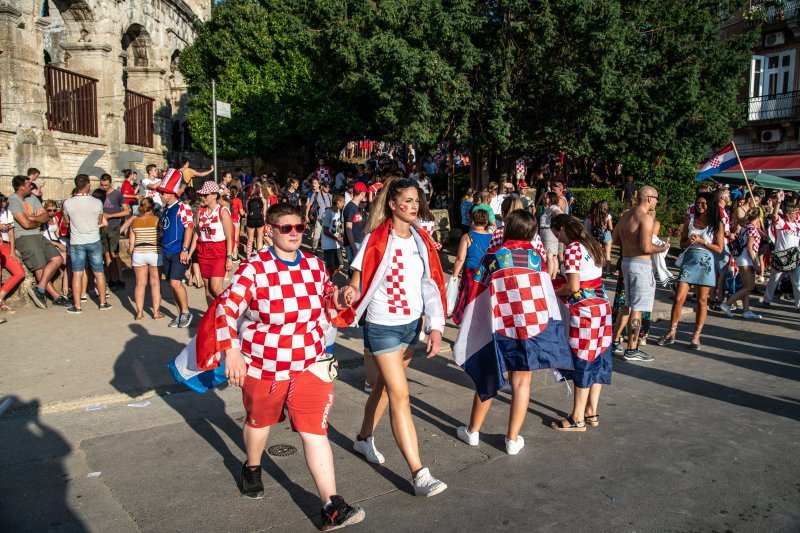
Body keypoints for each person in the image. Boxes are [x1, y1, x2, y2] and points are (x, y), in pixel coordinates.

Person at [212, 202, 365, 530]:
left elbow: (327, 298)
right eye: (287, 228)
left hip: (310, 361)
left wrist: (340, 298)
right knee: (259, 422)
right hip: (264, 364)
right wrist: (232, 352)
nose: (295, 234)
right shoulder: (254, 268)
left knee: (314, 430)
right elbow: (225, 309)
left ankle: (331, 504)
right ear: (270, 230)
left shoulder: (314, 264)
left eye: (299, 228)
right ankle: (253, 466)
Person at [338, 177, 448, 497]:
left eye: (417, 201)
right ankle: (419, 473)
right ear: (392, 204)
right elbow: (358, 279)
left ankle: (362, 439)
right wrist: (350, 292)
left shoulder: (421, 239)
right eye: (408, 201)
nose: (413, 207)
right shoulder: (375, 238)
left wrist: (436, 327)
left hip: (411, 326)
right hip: (382, 325)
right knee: (401, 395)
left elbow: (431, 284)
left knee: (386, 390)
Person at [454, 210, 573, 452]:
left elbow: (478, 295)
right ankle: (512, 439)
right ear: (531, 232)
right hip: (530, 326)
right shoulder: (535, 258)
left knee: (488, 374)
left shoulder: (493, 257)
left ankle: (473, 431)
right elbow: (545, 293)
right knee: (521, 383)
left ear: (508, 229)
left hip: (498, 327)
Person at [550, 214, 612, 431]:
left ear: (562, 230)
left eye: (556, 233)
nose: (557, 238)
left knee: (583, 360)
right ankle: (591, 412)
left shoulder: (573, 249)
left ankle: (577, 417)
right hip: (602, 307)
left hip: (585, 311)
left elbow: (574, 286)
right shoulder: (591, 244)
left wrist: (555, 291)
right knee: (599, 358)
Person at [657, 192, 724, 350]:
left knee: (702, 301)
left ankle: (696, 336)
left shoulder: (717, 224)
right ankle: (671, 332)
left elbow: (719, 249)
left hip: (706, 263)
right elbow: (681, 244)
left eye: (703, 204)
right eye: (698, 203)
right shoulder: (690, 220)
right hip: (689, 261)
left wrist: (702, 241)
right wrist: (689, 241)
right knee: (679, 298)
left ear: (710, 205)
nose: (699, 207)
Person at [610, 186, 668, 362]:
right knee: (638, 307)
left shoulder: (626, 215)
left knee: (627, 304)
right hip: (640, 264)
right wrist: (663, 247)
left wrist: (630, 242)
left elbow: (615, 239)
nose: (657, 201)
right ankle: (632, 348)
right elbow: (646, 247)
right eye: (656, 198)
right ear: (649, 198)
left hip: (626, 261)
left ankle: (613, 341)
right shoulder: (646, 218)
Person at [7, 175, 68, 308]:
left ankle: (39, 288)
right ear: (21, 187)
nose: (32, 187)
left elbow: (46, 216)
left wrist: (32, 218)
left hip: (37, 235)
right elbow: (26, 225)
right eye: (29, 185)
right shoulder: (13, 201)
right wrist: (34, 219)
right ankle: (56, 296)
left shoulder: (32, 198)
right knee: (39, 266)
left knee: (57, 258)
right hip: (24, 237)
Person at [62, 174, 112, 314]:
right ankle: (103, 302)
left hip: (77, 241)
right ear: (88, 185)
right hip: (94, 239)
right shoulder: (97, 202)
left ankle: (77, 306)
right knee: (99, 272)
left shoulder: (68, 203)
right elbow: (99, 220)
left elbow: (66, 221)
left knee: (77, 273)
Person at [157, 169, 194, 328]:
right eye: (160, 192)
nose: (161, 195)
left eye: (163, 192)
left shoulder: (182, 206)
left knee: (175, 283)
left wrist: (185, 249)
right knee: (172, 284)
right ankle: (180, 314)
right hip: (166, 251)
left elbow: (189, 228)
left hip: (178, 250)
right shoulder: (165, 209)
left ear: (171, 193)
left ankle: (186, 312)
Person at [191, 181, 234, 306]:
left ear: (215, 195)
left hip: (218, 250)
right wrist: (189, 253)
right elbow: (197, 233)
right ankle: (213, 318)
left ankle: (233, 308)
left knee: (216, 288)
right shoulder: (201, 211)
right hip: (203, 251)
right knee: (208, 290)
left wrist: (229, 257)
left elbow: (229, 236)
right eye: (202, 195)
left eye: (206, 195)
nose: (202, 198)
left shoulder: (223, 211)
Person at [721, 208, 763, 320]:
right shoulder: (752, 229)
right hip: (747, 259)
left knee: (746, 287)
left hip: (741, 258)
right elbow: (750, 248)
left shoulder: (745, 227)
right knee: (749, 286)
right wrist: (756, 263)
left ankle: (746, 310)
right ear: (758, 218)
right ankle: (727, 304)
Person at [451, 208, 492, 324]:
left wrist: (454, 276)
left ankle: (465, 325)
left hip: (470, 273)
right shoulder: (492, 237)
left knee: (467, 301)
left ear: (472, 221)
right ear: (486, 222)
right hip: (486, 274)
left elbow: (460, 259)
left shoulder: (467, 237)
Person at [129, 198, 163, 320]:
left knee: (140, 284)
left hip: (139, 252)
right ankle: (156, 312)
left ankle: (139, 313)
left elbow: (131, 243)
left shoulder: (135, 221)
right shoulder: (157, 220)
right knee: (155, 283)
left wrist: (132, 254)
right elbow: (161, 236)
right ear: (152, 208)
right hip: (154, 252)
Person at [763, 199, 799, 311]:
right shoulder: (781, 223)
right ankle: (767, 300)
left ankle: (799, 306)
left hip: (794, 256)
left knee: (797, 282)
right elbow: (774, 215)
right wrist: (778, 203)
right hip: (781, 256)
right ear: (788, 214)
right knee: (774, 279)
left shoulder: (798, 225)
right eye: (794, 213)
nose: (796, 215)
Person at [99, 174, 130, 291]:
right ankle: (112, 278)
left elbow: (126, 211)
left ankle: (121, 279)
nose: (103, 187)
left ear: (110, 182)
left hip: (113, 226)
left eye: (106, 185)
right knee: (106, 254)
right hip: (102, 227)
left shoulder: (117, 194)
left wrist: (111, 215)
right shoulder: (99, 194)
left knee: (114, 253)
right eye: (102, 185)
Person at [0, 194, 25, 314]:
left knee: (19, 273)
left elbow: (11, 234)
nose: (2, 207)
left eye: (4, 204)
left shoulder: (7, 213)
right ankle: (2, 303)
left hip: (5, 245)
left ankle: (0, 297)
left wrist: (12, 251)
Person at [586, 200, 614, 275]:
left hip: (597, 236)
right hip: (606, 235)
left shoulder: (593, 215)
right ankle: (607, 272)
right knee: (607, 254)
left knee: (598, 254)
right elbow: (611, 228)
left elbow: (592, 226)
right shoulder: (608, 216)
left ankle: (598, 271)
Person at [321, 194, 345, 277]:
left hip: (336, 244)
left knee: (340, 265)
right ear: (338, 202)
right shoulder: (328, 212)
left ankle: (328, 280)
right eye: (343, 202)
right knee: (330, 267)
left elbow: (338, 226)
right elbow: (325, 230)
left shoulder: (338, 212)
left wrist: (340, 235)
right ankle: (328, 282)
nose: (343, 204)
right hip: (329, 245)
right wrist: (336, 238)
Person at [540, 191, 563, 278]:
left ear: (551, 199)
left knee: (549, 256)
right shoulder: (553, 207)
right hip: (551, 232)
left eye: (547, 197)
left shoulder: (552, 207)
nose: (545, 199)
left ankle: (548, 277)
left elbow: (558, 213)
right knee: (554, 256)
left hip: (547, 232)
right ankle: (553, 277)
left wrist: (559, 219)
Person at [343, 182, 367, 266]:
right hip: (352, 244)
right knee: (354, 272)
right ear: (363, 193)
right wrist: (354, 248)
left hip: (357, 242)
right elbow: (348, 229)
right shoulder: (350, 207)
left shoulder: (356, 207)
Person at [306, 180, 332, 254]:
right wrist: (306, 216)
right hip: (319, 219)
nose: (327, 188)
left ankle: (325, 250)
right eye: (326, 187)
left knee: (326, 237)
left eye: (329, 187)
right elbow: (309, 205)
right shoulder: (316, 195)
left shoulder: (330, 196)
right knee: (316, 236)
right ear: (322, 186)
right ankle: (314, 248)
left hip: (328, 220)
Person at [245, 182, 266, 257]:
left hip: (251, 220)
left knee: (250, 240)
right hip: (260, 219)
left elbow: (247, 212)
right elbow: (264, 213)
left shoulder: (248, 200)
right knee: (259, 239)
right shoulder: (263, 200)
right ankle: (259, 256)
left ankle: (248, 256)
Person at [228, 185, 244, 261]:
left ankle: (229, 254)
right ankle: (234, 256)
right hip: (236, 222)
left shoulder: (227, 200)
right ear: (237, 193)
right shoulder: (238, 201)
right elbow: (241, 213)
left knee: (229, 238)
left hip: (228, 221)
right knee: (235, 239)